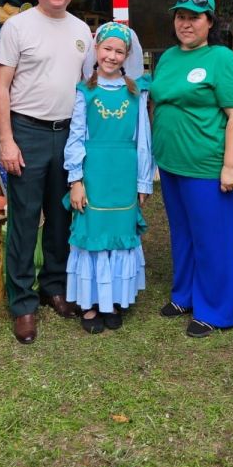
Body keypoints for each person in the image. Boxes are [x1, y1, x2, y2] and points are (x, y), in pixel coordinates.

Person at [0, 0, 93, 344]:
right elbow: (1, 86)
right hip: (27, 131)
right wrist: (6, 140)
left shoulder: (83, 30)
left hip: (68, 134)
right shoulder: (18, 27)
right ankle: (22, 303)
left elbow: (86, 90)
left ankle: (54, 285)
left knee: (60, 215)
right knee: (24, 219)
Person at [150, 0, 233, 338]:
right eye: (181, 16)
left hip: (207, 166)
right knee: (183, 234)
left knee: (213, 239)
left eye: (194, 17)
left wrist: (231, 165)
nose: (186, 23)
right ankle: (185, 295)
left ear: (210, 22)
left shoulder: (222, 60)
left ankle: (216, 310)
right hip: (171, 164)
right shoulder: (167, 58)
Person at [64, 22, 153, 334]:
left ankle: (113, 301)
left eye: (119, 51)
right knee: (93, 234)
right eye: (107, 49)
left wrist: (143, 181)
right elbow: (76, 137)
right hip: (95, 172)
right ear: (96, 49)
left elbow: (143, 137)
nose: (112, 56)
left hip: (124, 172)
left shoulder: (136, 91)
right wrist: (76, 180)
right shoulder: (85, 91)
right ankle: (90, 304)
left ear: (127, 55)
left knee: (119, 235)